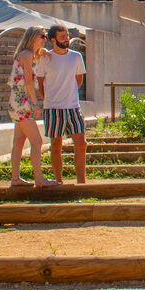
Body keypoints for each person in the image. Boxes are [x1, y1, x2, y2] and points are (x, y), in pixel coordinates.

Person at [35, 24, 87, 185]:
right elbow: (40, 84)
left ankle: (81, 181)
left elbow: (79, 80)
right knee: (56, 144)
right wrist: (49, 99)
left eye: (67, 36)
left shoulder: (76, 56)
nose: (66, 39)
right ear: (53, 39)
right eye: (62, 36)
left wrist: (68, 93)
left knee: (81, 143)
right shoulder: (44, 58)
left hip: (73, 107)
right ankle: (59, 181)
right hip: (53, 108)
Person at [6, 27, 55, 187]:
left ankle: (15, 179)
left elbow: (39, 52)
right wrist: (35, 104)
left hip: (17, 101)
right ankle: (39, 179)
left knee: (19, 141)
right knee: (36, 141)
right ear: (33, 37)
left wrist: (44, 51)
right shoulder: (26, 55)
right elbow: (28, 81)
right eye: (42, 36)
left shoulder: (28, 54)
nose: (45, 39)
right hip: (22, 102)